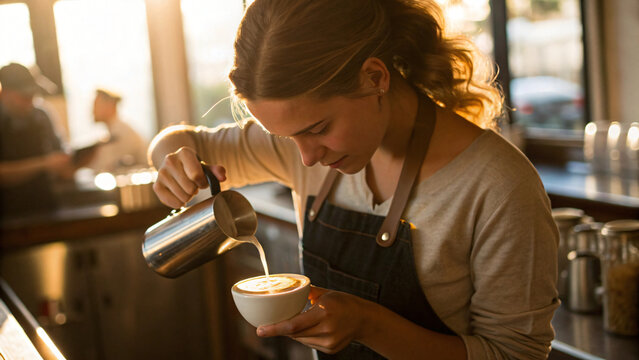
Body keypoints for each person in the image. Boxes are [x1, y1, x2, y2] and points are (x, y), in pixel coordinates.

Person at [148, 0, 559, 359]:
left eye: (318, 128)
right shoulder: (299, 146)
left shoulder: (498, 185)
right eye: (286, 138)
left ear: (375, 77)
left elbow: (514, 354)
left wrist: (369, 326)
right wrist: (172, 162)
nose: (306, 157)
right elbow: (181, 141)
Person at [0, 62, 73, 216]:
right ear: (4, 93)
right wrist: (44, 164)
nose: (30, 103)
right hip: (8, 215)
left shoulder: (41, 116)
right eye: (24, 97)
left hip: (46, 206)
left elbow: (59, 155)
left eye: (33, 96)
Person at [86, 88, 147, 173]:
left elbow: (106, 167)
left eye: (96, 106)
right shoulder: (112, 131)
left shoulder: (121, 133)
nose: (92, 111)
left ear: (110, 106)